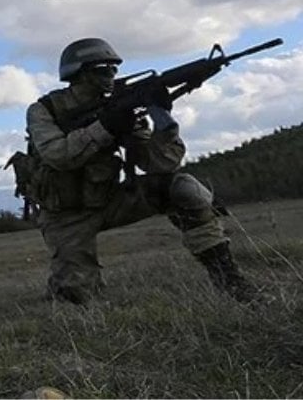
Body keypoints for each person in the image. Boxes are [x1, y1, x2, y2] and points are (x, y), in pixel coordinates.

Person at [24, 37, 257, 305]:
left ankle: (231, 283)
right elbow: (58, 156)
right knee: (76, 300)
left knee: (184, 188)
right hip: (65, 216)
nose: (110, 76)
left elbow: (160, 164)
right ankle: (65, 289)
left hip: (109, 201)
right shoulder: (44, 110)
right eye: (102, 70)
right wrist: (106, 128)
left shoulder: (118, 109)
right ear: (78, 74)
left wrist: (162, 122)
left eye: (114, 69)